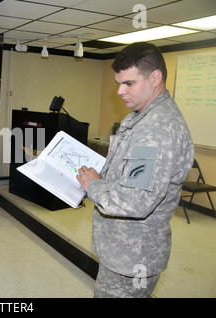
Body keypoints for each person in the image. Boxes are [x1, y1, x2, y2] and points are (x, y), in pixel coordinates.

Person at [76, 42, 194, 298]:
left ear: (155, 78)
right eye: (119, 83)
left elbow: (134, 201)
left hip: (132, 258)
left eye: (128, 83)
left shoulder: (156, 130)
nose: (119, 91)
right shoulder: (143, 116)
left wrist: (92, 184)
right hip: (123, 249)